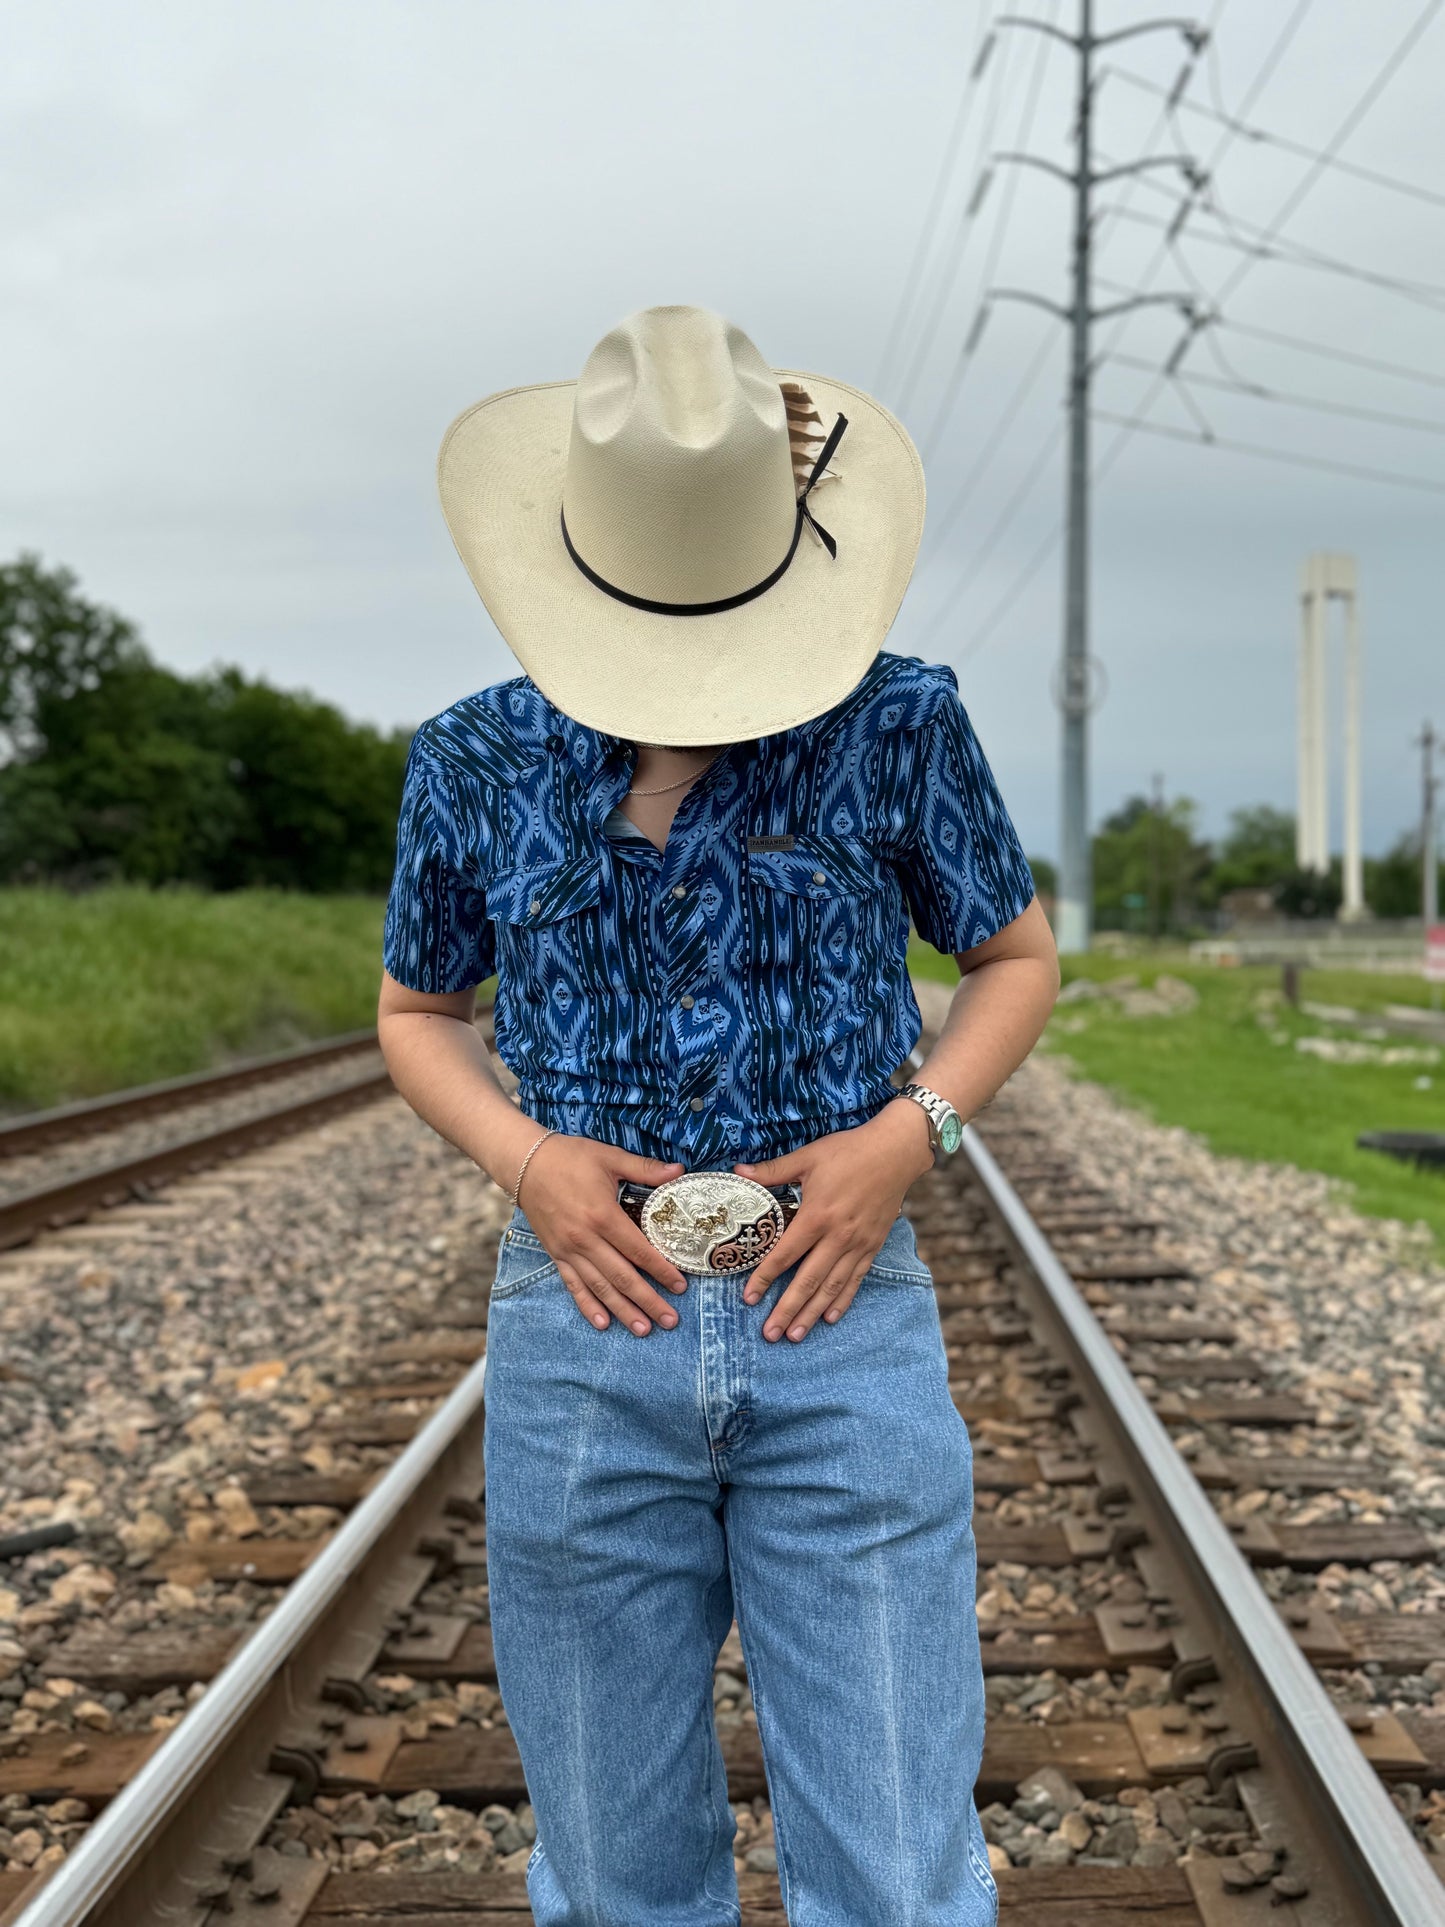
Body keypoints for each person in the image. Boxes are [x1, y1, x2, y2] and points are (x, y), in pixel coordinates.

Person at [377, 304, 1059, 1927]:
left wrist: (914, 1134)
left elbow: (1013, 957)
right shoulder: (473, 758)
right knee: (616, 1878)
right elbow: (416, 1014)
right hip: (582, 1334)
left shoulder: (896, 722)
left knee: (897, 1873)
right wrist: (528, 1158)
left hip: (842, 1322)